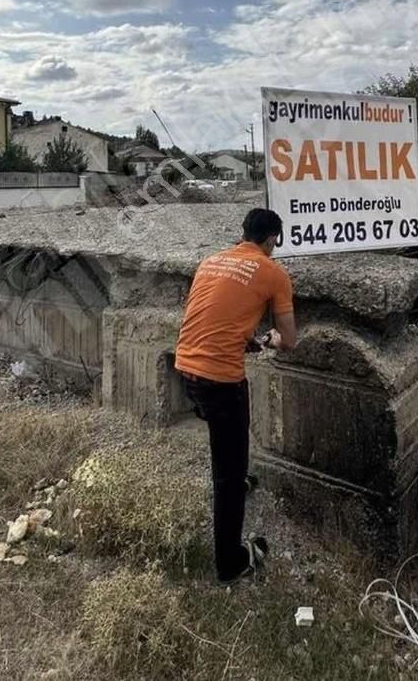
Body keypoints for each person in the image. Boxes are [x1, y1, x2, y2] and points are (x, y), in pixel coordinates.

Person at [175, 207, 296, 584]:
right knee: (226, 474)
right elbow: (289, 340)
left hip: (185, 368)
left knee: (227, 446)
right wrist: (272, 339)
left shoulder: (210, 261)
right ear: (272, 238)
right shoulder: (274, 273)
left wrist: (246, 341)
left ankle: (236, 474)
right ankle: (231, 561)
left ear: (243, 233)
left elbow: (215, 315)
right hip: (220, 380)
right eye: (276, 241)